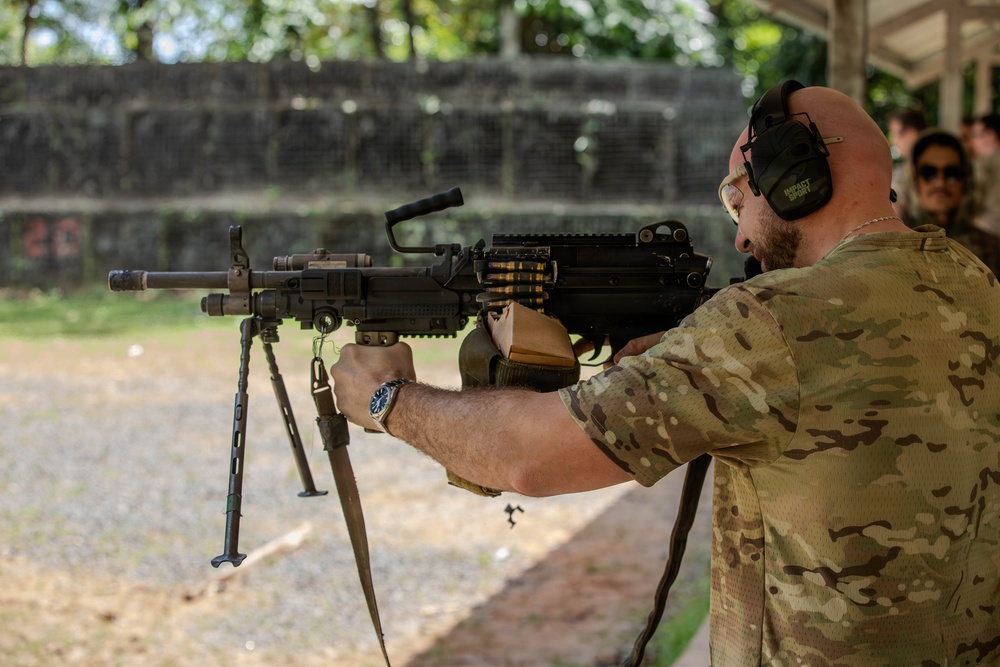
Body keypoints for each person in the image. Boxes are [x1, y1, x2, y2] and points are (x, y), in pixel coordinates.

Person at [331, 83, 1000, 665]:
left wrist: (388, 399)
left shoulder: (770, 323)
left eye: (740, 197)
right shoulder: (976, 284)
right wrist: (690, 357)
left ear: (795, 174)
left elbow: (528, 456)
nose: (739, 236)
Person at [902, 127, 1000, 273]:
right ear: (914, 179)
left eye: (952, 173)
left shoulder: (992, 250)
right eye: (929, 173)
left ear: (966, 181)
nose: (940, 183)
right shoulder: (896, 243)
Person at [887, 107, 927, 218]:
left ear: (911, 133)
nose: (893, 141)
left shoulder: (902, 173)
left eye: (895, 134)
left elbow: (895, 214)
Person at [970, 113, 1000, 243]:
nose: (972, 141)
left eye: (975, 135)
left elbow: (974, 201)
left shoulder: (982, 165)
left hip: (987, 231)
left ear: (990, 136)